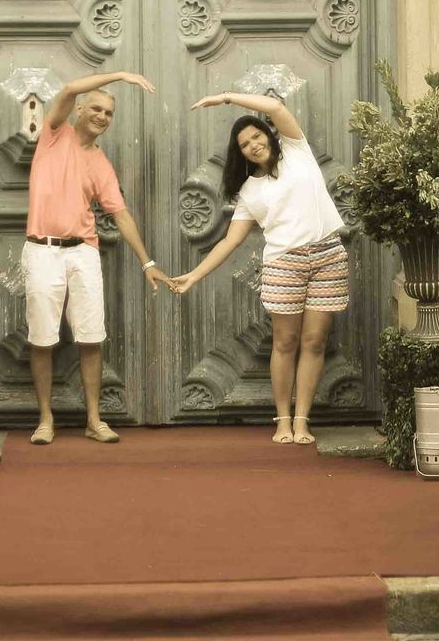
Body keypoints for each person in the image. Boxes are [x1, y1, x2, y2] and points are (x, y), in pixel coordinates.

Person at [171, 90, 349, 445]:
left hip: (328, 255)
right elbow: (228, 241)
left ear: (269, 135)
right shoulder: (250, 191)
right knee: (285, 342)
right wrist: (193, 275)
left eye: (257, 136)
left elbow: (276, 107)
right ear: (240, 154)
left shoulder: (298, 152)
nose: (253, 144)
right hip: (285, 264)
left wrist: (224, 98)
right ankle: (282, 421)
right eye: (244, 144)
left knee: (314, 342)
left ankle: (302, 421)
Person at [25, 69, 171, 446]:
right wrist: (121, 75)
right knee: (42, 338)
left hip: (83, 252)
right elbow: (70, 87)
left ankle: (94, 419)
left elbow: (120, 215)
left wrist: (147, 262)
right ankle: (45, 419)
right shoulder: (55, 135)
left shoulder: (101, 164)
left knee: (91, 338)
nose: (102, 116)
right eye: (97, 108)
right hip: (42, 250)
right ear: (78, 111)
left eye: (109, 113)